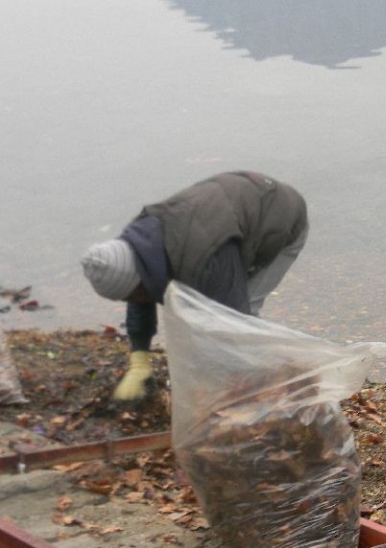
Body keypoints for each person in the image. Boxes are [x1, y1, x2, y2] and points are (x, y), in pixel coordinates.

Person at [80, 171, 309, 402]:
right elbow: (140, 299)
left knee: (243, 316)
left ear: (140, 279)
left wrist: (225, 392)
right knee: (206, 321)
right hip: (229, 211)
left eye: (134, 293)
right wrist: (139, 360)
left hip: (281, 216)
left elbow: (233, 323)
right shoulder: (137, 250)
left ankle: (286, 382)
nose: (137, 299)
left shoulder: (206, 256)